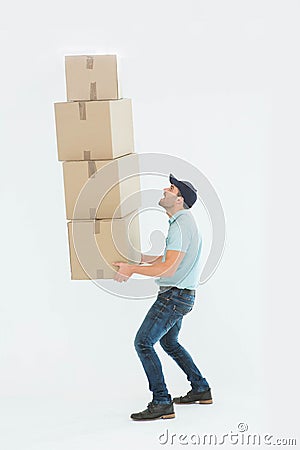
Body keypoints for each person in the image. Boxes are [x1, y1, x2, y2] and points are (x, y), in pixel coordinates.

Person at [113, 173, 212, 421]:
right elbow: (169, 260)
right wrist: (139, 259)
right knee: (169, 343)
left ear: (179, 199)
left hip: (173, 297)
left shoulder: (180, 225)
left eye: (170, 188)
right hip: (181, 295)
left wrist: (132, 270)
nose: (165, 190)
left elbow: (168, 270)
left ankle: (161, 402)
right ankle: (201, 389)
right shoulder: (183, 222)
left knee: (143, 343)